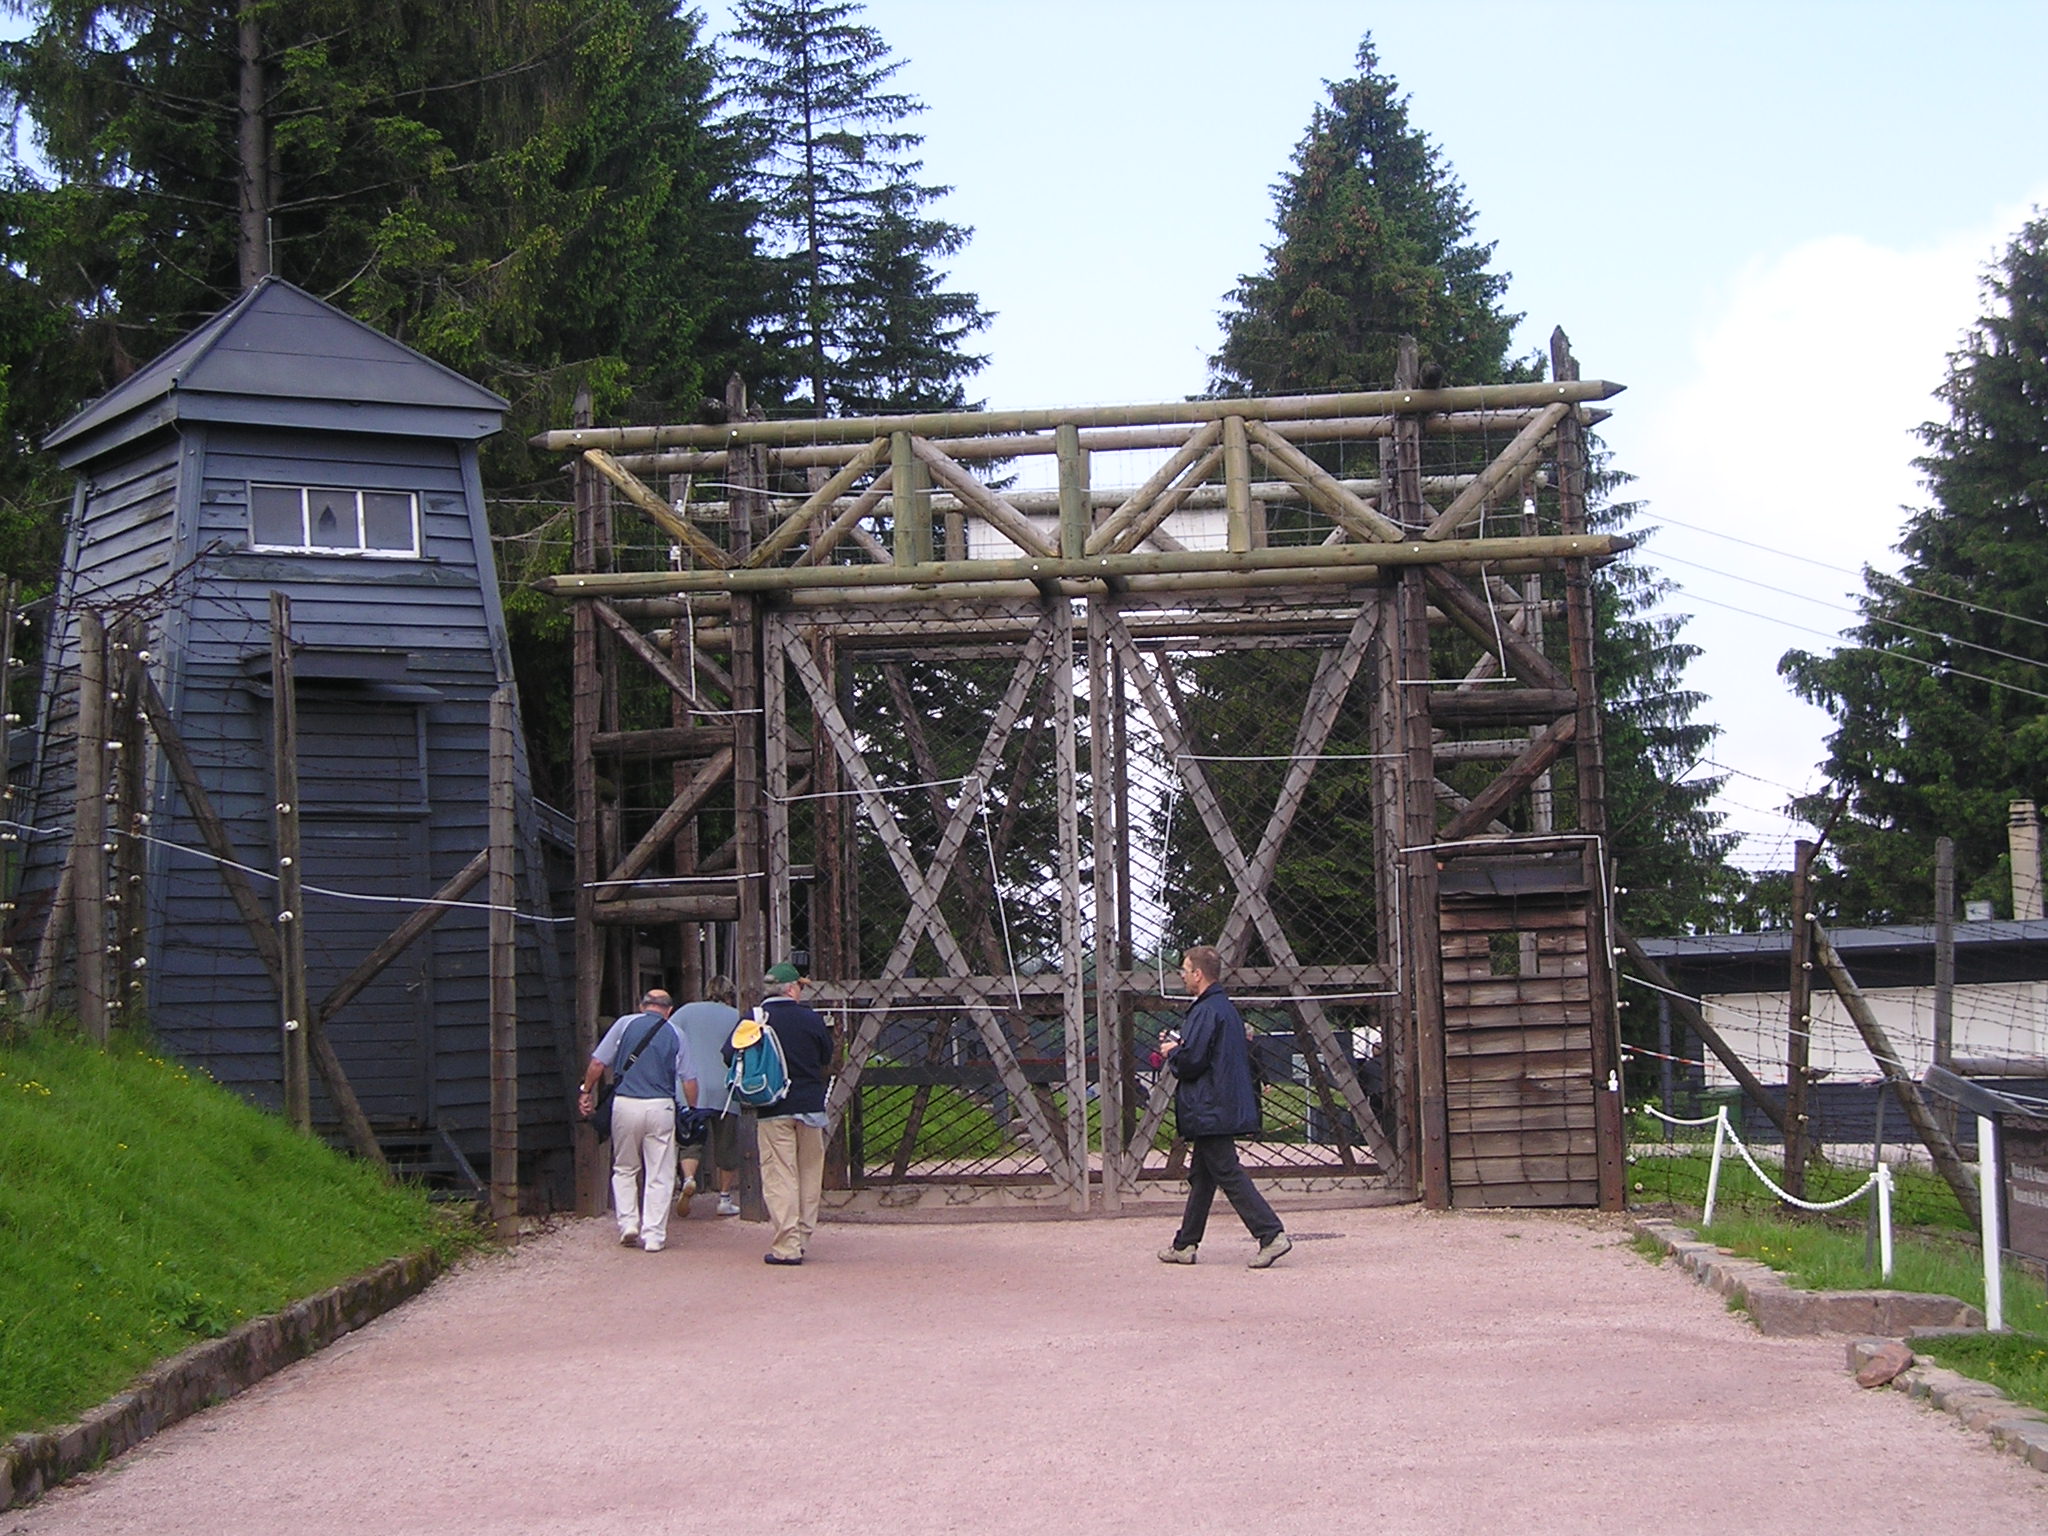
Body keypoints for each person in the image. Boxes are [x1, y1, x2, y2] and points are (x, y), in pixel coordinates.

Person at [1158, 946, 1291, 1269]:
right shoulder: (1223, 1008)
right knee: (1203, 1176)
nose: (1183, 976)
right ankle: (1185, 1243)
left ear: (1198, 974)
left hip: (1209, 1104)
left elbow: (1194, 1061)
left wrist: (1173, 1052)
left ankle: (1271, 1234)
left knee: (1227, 1171)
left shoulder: (1205, 1011)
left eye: (1185, 970)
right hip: (1219, 1102)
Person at [726, 961, 834, 1266]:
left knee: (780, 1175)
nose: (800, 991)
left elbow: (728, 1054)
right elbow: (827, 1055)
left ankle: (786, 1245)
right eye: (799, 986)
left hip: (773, 1106)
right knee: (809, 1173)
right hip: (810, 1105)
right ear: (790, 988)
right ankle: (802, 1237)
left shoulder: (754, 1018)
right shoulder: (811, 1019)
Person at [578, 989, 696, 1253]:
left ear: (642, 1005)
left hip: (625, 1103)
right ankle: (653, 1235)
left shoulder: (624, 1024)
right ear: (669, 1010)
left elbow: (597, 1063)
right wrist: (692, 1110)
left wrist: (585, 1091)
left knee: (625, 1168)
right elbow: (689, 1080)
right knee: (660, 1172)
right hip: (660, 1106)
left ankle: (628, 1223)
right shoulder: (676, 1033)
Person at [671, 975, 745, 1217]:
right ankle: (724, 1198)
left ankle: (689, 1179)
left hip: (692, 1087)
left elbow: (668, 1038)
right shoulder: (736, 1016)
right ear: (729, 994)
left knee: (690, 1141)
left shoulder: (686, 1012)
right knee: (727, 1144)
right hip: (726, 1089)